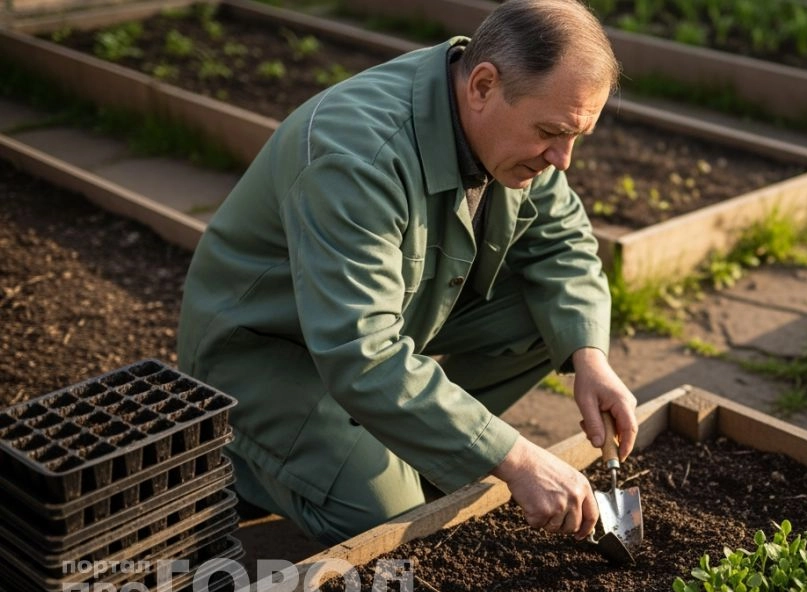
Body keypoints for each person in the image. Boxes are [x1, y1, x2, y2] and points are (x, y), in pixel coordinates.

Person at [176, 0, 637, 546]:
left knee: (554, 322)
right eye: (552, 132)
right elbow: (361, 351)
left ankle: (413, 442)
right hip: (265, 356)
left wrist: (590, 359)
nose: (563, 159)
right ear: (483, 86)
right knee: (388, 521)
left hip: (375, 333)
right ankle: (242, 464)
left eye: (577, 136)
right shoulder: (358, 157)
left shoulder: (510, 128)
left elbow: (562, 243)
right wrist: (516, 458)